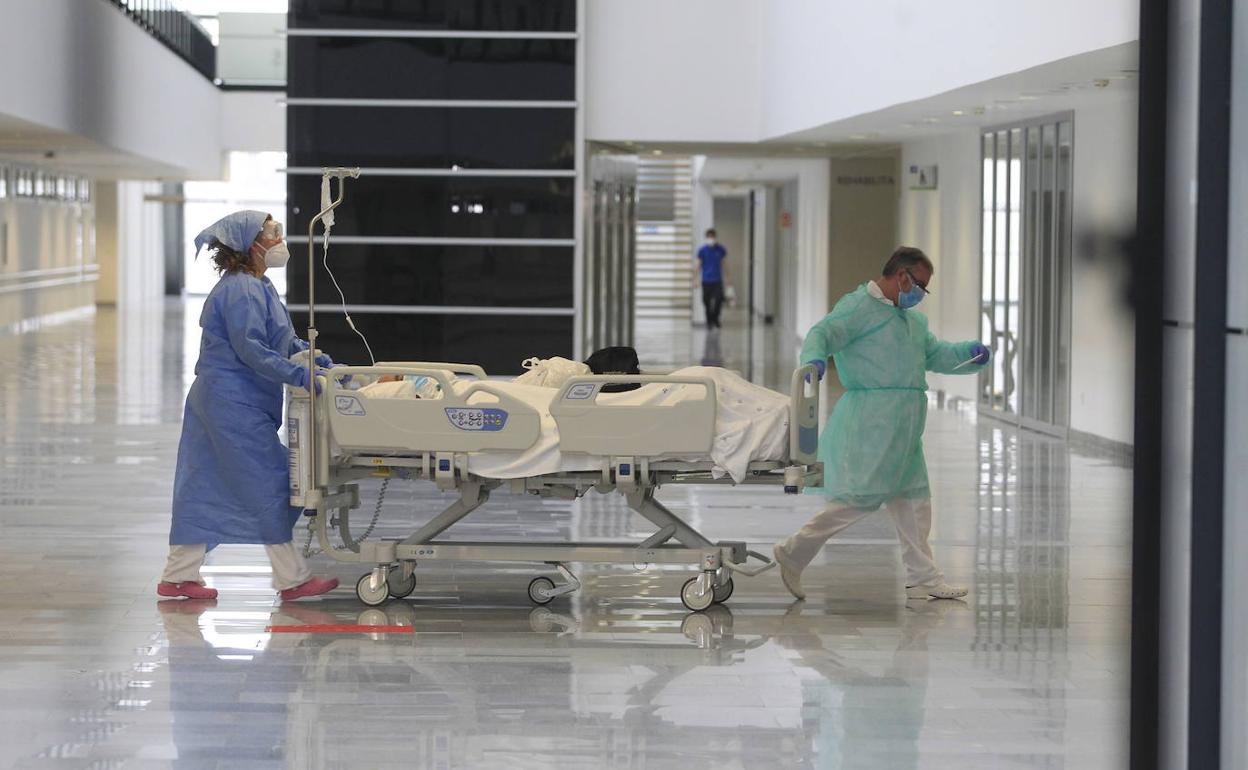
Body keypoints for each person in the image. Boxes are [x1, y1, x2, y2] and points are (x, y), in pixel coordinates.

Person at [773, 246, 990, 601]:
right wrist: (814, 359)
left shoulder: (912, 322)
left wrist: (968, 353)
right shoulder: (858, 308)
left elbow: (934, 353)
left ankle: (923, 576)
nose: (921, 295)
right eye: (920, 286)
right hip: (872, 423)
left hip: (905, 426)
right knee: (859, 499)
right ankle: (794, 551)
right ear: (902, 276)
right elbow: (822, 333)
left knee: (914, 501)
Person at [158, 210, 340, 601]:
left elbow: (281, 340)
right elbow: (251, 349)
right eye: (271, 232)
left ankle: (177, 576)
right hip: (230, 402)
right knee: (271, 481)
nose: (279, 239)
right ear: (250, 244)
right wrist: (297, 375)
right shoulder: (239, 290)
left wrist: (310, 356)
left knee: (203, 484)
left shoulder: (260, 286)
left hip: (226, 400)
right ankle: (292, 578)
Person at [694, 228, 731, 329]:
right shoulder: (702, 250)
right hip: (706, 280)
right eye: (709, 237)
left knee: (719, 300)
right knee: (706, 302)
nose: (711, 239)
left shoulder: (721, 249)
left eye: (712, 237)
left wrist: (728, 278)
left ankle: (715, 318)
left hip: (717, 280)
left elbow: (725, 264)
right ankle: (709, 321)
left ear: (715, 237)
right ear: (706, 238)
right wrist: (695, 279)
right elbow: (698, 265)